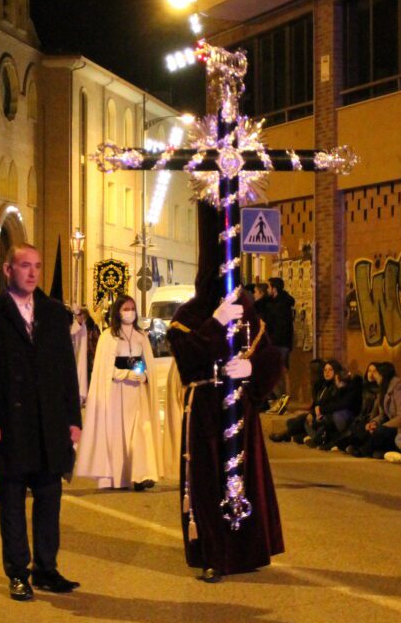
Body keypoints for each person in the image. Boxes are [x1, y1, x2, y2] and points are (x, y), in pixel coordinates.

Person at [165, 203, 283, 583]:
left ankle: (245, 551)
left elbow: (269, 357)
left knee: (243, 478)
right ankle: (214, 552)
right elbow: (186, 357)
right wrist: (215, 323)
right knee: (207, 478)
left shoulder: (247, 307)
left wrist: (251, 369)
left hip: (241, 412)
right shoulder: (190, 314)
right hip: (204, 409)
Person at [0, 243, 82, 601]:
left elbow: (66, 372)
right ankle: (18, 572)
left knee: (49, 497)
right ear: (7, 269)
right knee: (11, 500)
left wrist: (73, 419)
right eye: (24, 266)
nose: (32, 273)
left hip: (49, 424)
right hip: (9, 424)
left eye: (37, 266)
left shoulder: (53, 312)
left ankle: (47, 568)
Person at [76, 294, 162, 490]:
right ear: (118, 311)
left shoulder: (141, 336)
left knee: (141, 432)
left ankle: (142, 474)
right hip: (116, 392)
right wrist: (125, 374)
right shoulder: (108, 337)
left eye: (132, 309)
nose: (129, 312)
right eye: (125, 309)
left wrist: (145, 376)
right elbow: (104, 369)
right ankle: (119, 474)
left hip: (137, 393)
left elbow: (149, 364)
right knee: (118, 434)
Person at [271, 359, 340, 444]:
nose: (327, 372)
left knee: (302, 420)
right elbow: (315, 405)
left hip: (325, 418)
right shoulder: (323, 386)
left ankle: (285, 436)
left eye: (330, 370)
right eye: (325, 370)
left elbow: (328, 406)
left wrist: (311, 413)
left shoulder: (335, 387)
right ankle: (301, 437)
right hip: (318, 415)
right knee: (291, 422)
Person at [354, 362, 401, 459]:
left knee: (380, 431)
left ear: (383, 375)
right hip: (390, 425)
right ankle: (374, 450)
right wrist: (374, 422)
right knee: (365, 428)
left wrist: (383, 426)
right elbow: (382, 415)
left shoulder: (399, 389)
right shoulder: (384, 390)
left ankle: (364, 451)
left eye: (376, 374)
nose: (374, 377)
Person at [265, 277, 295, 399]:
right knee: (283, 370)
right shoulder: (284, 302)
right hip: (284, 342)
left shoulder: (278, 305)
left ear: (274, 289)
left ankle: (282, 399)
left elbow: (276, 324)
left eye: (269, 287)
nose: (268, 290)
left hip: (278, 342)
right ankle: (284, 398)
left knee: (278, 370)